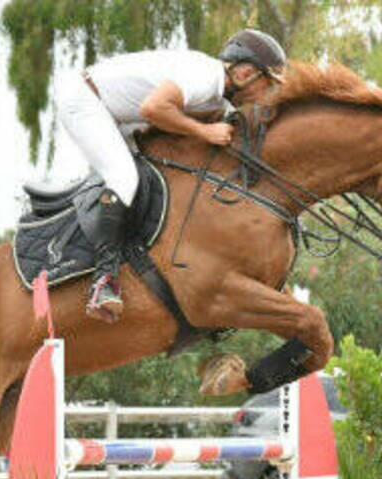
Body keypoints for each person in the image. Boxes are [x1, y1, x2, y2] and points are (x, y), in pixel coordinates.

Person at [55, 29, 287, 323]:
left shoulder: (221, 100)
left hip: (117, 113)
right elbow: (153, 108)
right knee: (124, 178)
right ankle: (104, 281)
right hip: (86, 101)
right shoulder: (204, 76)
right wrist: (204, 131)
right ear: (244, 72)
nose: (268, 92)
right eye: (268, 82)